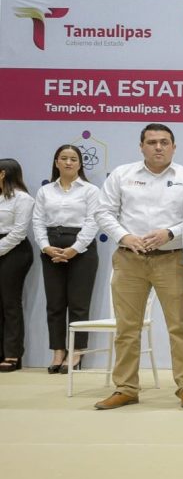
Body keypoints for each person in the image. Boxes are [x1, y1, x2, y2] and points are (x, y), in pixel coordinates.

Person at [94, 124, 183, 409]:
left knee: (180, 326)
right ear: (141, 146)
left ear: (174, 147)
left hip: (172, 257)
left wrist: (169, 233)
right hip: (130, 258)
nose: (158, 147)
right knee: (127, 328)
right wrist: (123, 236)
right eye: (152, 142)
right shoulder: (122, 174)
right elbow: (103, 212)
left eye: (164, 142)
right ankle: (126, 387)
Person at [33, 145, 101, 374]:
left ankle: (77, 352)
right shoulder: (45, 191)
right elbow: (38, 221)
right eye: (64, 158)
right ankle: (58, 351)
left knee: (79, 304)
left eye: (73, 159)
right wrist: (45, 246)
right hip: (51, 247)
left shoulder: (90, 190)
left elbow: (93, 222)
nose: (69, 162)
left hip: (81, 248)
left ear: (80, 164)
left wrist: (75, 248)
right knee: (55, 304)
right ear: (56, 162)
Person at [0, 158, 35, 373]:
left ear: (3, 173)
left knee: (10, 302)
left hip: (14, 252)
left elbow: (19, 232)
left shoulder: (22, 199)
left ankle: (12, 354)